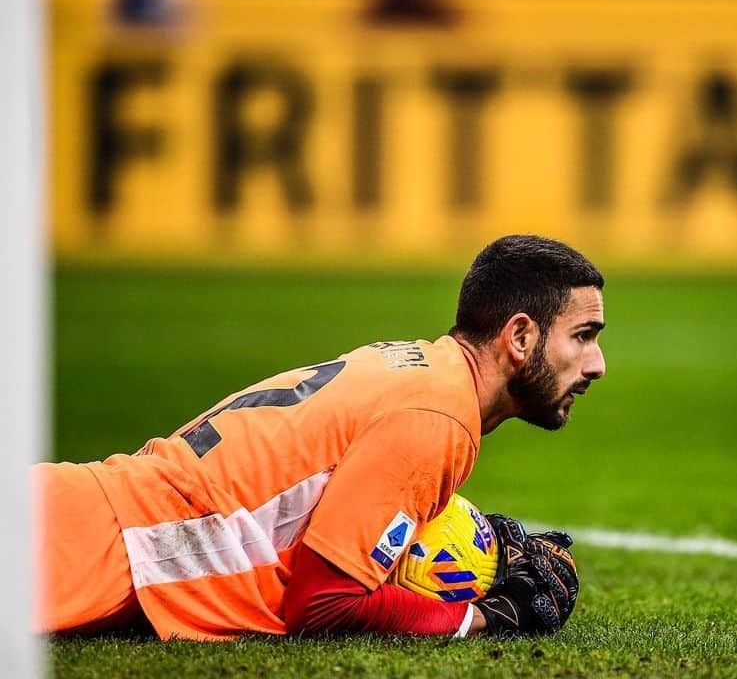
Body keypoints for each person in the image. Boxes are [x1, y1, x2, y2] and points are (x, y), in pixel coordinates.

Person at [34, 234, 606, 641]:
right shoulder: (439, 418)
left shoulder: (416, 366)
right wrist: (490, 617)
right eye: (583, 336)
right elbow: (324, 604)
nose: (597, 363)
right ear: (521, 337)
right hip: (80, 554)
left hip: (79, 513)